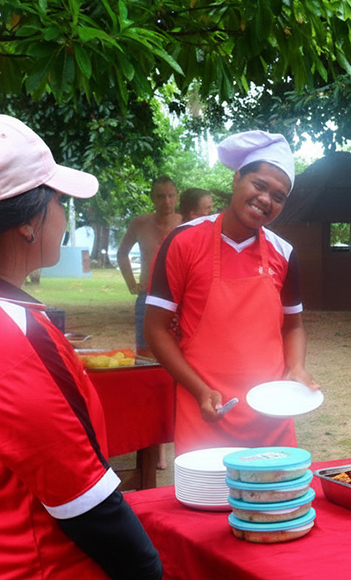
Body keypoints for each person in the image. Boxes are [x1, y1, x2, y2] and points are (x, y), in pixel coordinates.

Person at [0, 115, 162, 579]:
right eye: (59, 202)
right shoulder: (18, 339)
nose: (65, 217)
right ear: (29, 223)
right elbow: (86, 502)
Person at [144, 130, 318, 457]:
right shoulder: (183, 241)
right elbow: (155, 328)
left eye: (279, 197)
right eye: (259, 185)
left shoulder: (284, 253)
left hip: (271, 416)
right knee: (205, 504)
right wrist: (198, 390)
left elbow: (292, 326)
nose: (266, 200)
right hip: (204, 410)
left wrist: (295, 368)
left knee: (275, 504)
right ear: (237, 178)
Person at [117, 175, 181, 358]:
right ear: (152, 198)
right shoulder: (140, 223)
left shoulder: (185, 222)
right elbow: (122, 253)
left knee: (181, 349)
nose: (166, 201)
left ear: (177, 197)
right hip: (148, 295)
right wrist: (131, 284)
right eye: (161, 196)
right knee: (146, 352)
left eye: (171, 195)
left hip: (180, 298)